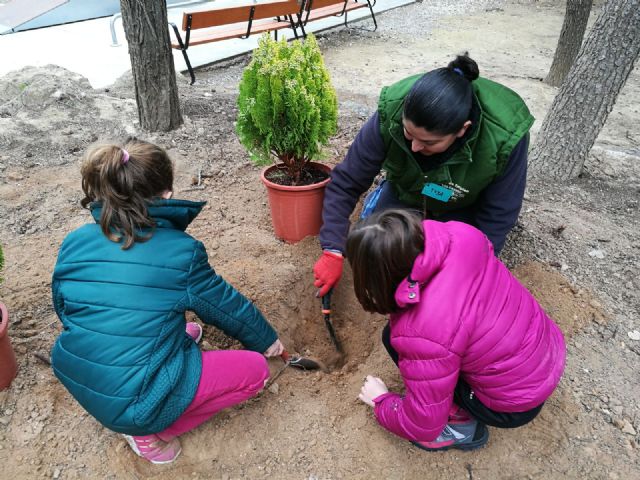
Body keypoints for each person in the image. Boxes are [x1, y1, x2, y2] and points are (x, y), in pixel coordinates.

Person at [50, 139, 285, 464]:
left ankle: (150, 383)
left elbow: (64, 309)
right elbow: (226, 307)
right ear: (166, 195)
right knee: (255, 371)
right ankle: (150, 436)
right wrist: (267, 341)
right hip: (136, 402)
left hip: (80, 375)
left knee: (169, 323)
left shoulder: (75, 241)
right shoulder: (180, 252)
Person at [313, 54, 534, 297]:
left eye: (428, 142)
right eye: (408, 134)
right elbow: (346, 182)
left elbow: (498, 215)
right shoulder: (393, 110)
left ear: (462, 130)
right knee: (378, 246)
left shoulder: (504, 137)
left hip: (462, 206)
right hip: (407, 192)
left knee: (443, 269)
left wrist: (471, 269)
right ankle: (381, 199)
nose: (415, 147)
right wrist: (333, 249)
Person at [347, 210, 565, 451]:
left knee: (395, 339)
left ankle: (462, 428)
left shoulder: (423, 328)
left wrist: (382, 401)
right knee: (407, 338)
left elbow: (422, 422)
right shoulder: (461, 234)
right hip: (545, 354)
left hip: (514, 404)